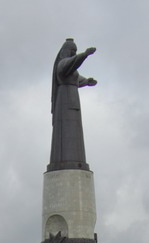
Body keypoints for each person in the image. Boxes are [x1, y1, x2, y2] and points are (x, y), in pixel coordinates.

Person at [49, 40, 97, 169]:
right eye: (72, 51)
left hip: (73, 98)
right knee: (66, 131)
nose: (73, 54)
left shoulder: (70, 69)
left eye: (75, 52)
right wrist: (84, 55)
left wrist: (87, 81)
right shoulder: (62, 64)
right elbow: (71, 64)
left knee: (76, 131)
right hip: (64, 100)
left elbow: (77, 78)